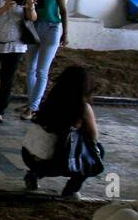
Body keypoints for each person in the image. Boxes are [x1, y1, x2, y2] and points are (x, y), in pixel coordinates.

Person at [21, 65, 101, 197]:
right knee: (95, 153)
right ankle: (71, 190)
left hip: (29, 156)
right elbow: (94, 136)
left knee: (52, 147)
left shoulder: (50, 100)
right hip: (56, 163)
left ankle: (34, 173)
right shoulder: (83, 107)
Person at [19, 0, 68, 120]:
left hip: (52, 28)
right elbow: (25, 11)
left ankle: (33, 107)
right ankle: (32, 102)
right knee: (30, 69)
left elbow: (63, 9)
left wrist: (65, 32)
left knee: (42, 70)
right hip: (33, 28)